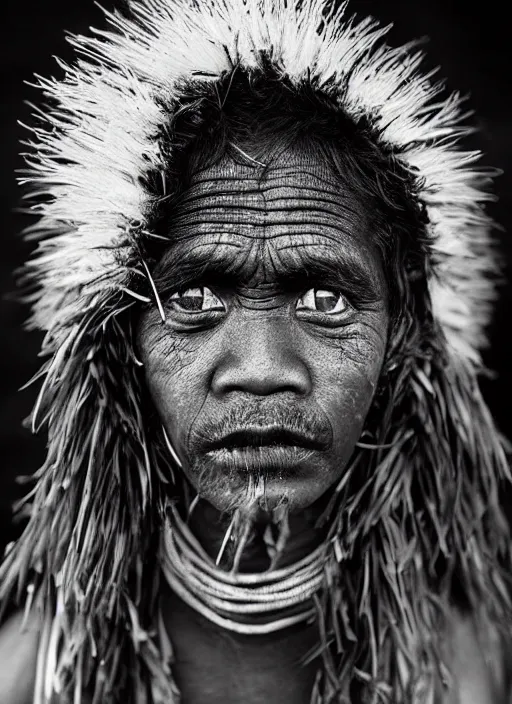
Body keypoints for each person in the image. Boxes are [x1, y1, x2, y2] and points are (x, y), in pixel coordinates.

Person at [1, 0, 511, 702]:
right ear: (123, 349)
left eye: (325, 300)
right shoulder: (37, 670)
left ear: (401, 344)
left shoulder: (467, 668)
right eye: (195, 298)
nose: (265, 370)